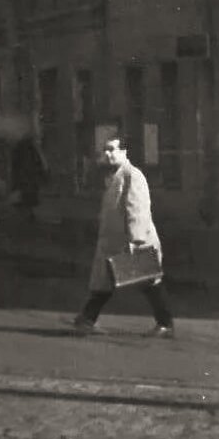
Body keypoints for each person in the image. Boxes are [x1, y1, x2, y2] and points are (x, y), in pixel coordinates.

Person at [70, 134, 175, 337]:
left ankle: (166, 324)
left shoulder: (132, 176)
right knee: (105, 282)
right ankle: (87, 318)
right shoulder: (115, 176)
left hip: (132, 241)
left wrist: (136, 240)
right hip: (114, 242)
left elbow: (137, 209)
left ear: (124, 151)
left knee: (149, 281)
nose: (108, 154)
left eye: (113, 149)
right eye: (106, 150)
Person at [10, 133, 47, 216]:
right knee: (26, 199)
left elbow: (15, 167)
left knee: (24, 199)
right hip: (28, 182)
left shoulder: (19, 149)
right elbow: (41, 165)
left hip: (25, 182)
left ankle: (25, 214)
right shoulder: (32, 149)